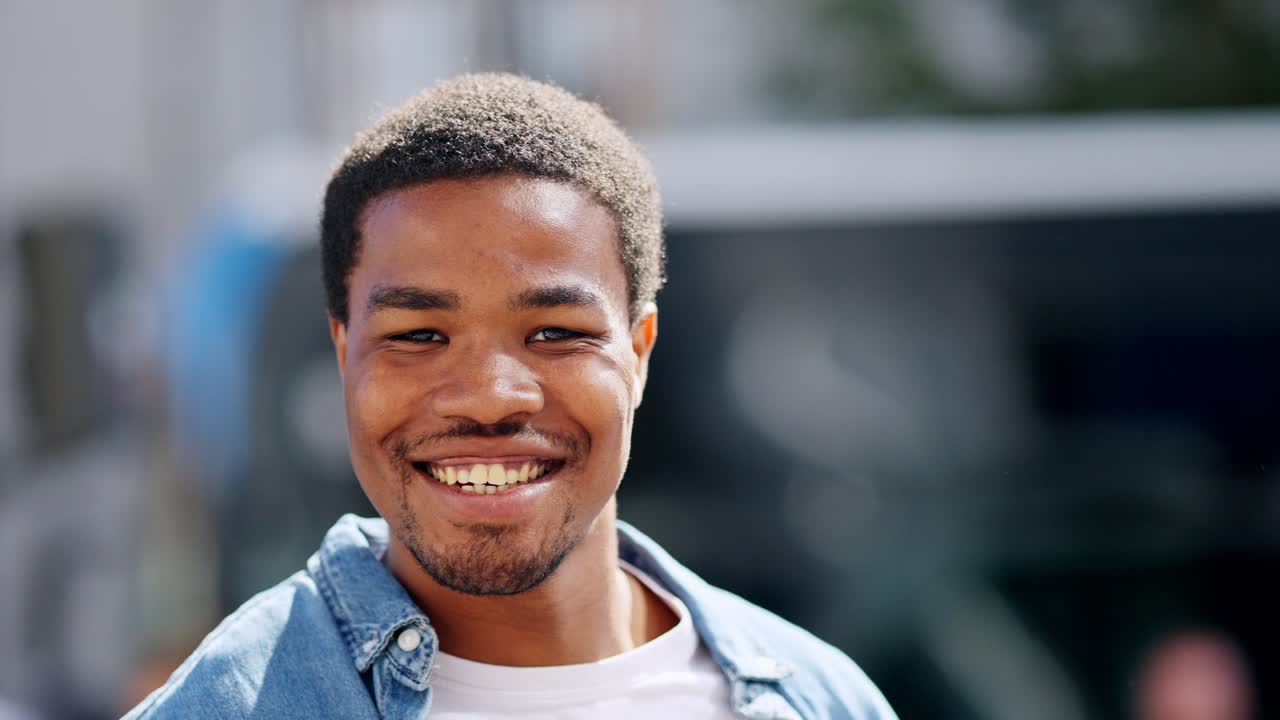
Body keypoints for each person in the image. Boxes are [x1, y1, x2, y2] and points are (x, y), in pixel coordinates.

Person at [125, 73, 897, 720]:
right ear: (344, 352)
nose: (490, 398)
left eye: (555, 334)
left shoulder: (820, 699)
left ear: (638, 352)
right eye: (419, 336)